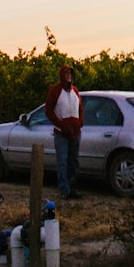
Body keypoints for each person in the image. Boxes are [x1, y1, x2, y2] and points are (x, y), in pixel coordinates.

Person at [44, 63, 84, 198]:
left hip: (75, 133)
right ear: (62, 75)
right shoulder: (55, 91)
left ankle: (72, 188)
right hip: (61, 133)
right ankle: (64, 190)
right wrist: (60, 124)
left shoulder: (75, 91)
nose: (69, 75)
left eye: (70, 73)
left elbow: (80, 108)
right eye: (66, 73)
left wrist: (80, 122)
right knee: (62, 161)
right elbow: (49, 111)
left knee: (74, 162)